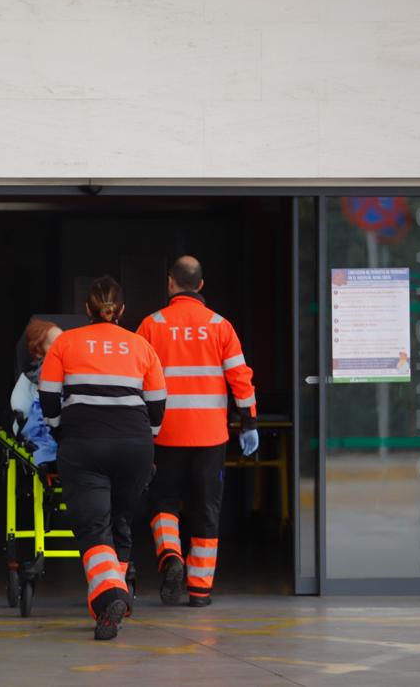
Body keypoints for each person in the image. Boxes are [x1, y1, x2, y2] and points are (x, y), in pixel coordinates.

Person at [39, 277, 165, 640]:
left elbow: (49, 399)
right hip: (135, 446)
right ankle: (113, 602)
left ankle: (109, 593)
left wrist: (63, 431)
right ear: (121, 310)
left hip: (84, 445)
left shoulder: (65, 342)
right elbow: (157, 405)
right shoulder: (141, 345)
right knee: (121, 521)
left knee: (94, 527)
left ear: (87, 309)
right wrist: (146, 440)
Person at [136, 256, 259, 608]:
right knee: (207, 508)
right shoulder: (221, 326)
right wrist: (248, 421)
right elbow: (240, 377)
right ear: (201, 285)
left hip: (164, 433)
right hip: (210, 436)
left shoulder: (151, 325)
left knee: (163, 503)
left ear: (170, 283)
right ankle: (200, 590)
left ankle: (170, 556)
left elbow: (135, 376)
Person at [10, 318, 62, 471]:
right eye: (56, 343)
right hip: (37, 428)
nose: (64, 346)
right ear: (39, 350)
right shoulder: (38, 375)